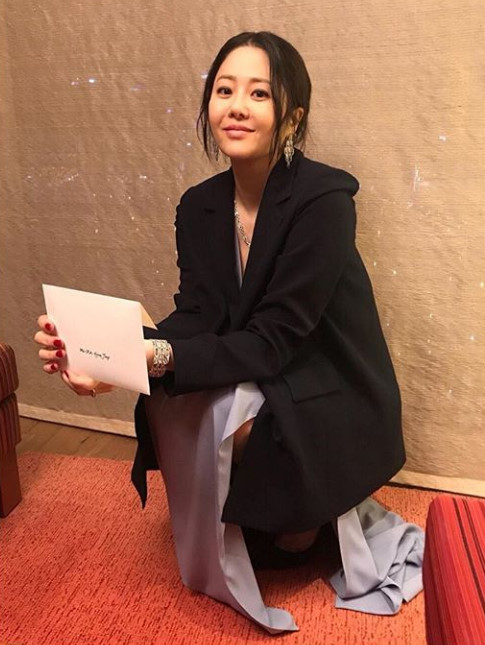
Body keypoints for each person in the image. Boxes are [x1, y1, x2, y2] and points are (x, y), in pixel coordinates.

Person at [35, 32, 423, 632]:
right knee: (173, 398)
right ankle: (282, 511)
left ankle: (304, 518)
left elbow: (274, 340)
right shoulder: (199, 206)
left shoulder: (324, 199)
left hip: (327, 378)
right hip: (265, 361)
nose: (237, 106)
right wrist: (109, 359)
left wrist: (155, 357)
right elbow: (198, 314)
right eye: (224, 90)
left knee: (237, 434)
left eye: (259, 93)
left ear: (291, 117)